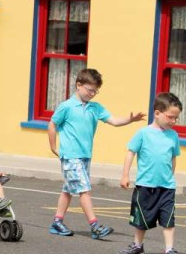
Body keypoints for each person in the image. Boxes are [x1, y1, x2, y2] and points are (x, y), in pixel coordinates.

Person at [47, 68, 145, 238]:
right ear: (79, 85)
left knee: (68, 189)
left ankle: (57, 222)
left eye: (96, 91)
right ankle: (94, 225)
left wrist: (130, 119)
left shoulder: (96, 108)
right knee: (84, 189)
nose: (93, 93)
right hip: (70, 155)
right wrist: (53, 147)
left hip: (85, 155)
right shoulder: (66, 107)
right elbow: (52, 124)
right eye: (90, 89)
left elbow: (114, 121)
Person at [118, 92, 185, 254]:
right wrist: (125, 175)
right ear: (157, 113)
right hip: (145, 185)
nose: (173, 121)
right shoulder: (143, 133)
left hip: (167, 187)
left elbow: (173, 157)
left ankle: (169, 250)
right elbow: (130, 152)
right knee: (141, 220)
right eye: (171, 117)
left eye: (176, 118)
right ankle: (137, 246)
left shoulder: (173, 135)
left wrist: (171, 176)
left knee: (168, 220)